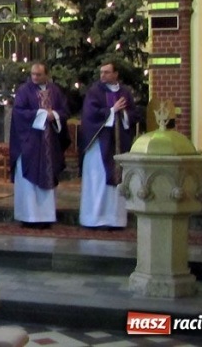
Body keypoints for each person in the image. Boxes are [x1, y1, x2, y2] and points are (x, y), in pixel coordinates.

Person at [9, 63, 70, 228]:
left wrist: (55, 115)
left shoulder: (55, 91)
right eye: (33, 74)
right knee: (29, 181)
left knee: (48, 175)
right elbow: (18, 113)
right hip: (30, 142)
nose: (34, 78)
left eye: (38, 75)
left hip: (50, 142)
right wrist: (43, 114)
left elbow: (64, 111)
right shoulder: (24, 90)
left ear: (47, 75)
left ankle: (46, 216)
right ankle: (28, 216)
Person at [78, 61, 137, 229]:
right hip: (98, 146)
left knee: (117, 182)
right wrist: (112, 110)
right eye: (101, 72)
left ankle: (115, 220)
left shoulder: (125, 92)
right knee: (98, 181)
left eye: (107, 72)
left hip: (119, 146)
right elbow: (90, 115)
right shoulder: (94, 92)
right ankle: (94, 219)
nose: (102, 75)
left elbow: (133, 114)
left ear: (116, 74)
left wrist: (123, 112)